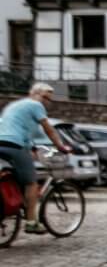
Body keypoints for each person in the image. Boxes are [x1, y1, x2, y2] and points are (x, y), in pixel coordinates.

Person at [0, 83, 72, 233]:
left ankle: (13, 202)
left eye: (49, 99)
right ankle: (32, 222)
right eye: (45, 97)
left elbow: (16, 129)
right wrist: (60, 146)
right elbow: (49, 129)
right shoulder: (35, 105)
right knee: (31, 183)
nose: (46, 101)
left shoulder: (15, 106)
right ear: (34, 93)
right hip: (14, 145)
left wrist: (31, 146)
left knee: (11, 176)